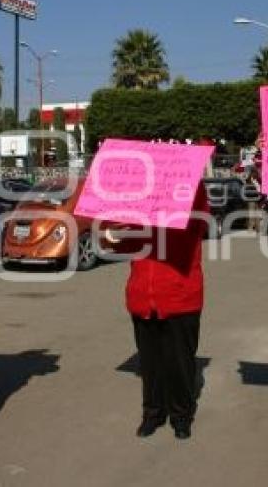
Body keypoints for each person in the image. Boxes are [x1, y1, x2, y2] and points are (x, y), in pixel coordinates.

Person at [104, 185, 209, 440]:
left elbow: (200, 222)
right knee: (150, 364)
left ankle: (181, 416)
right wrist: (111, 234)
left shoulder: (191, 192)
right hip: (142, 296)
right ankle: (153, 413)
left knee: (180, 363)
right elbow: (115, 244)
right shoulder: (136, 198)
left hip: (180, 295)